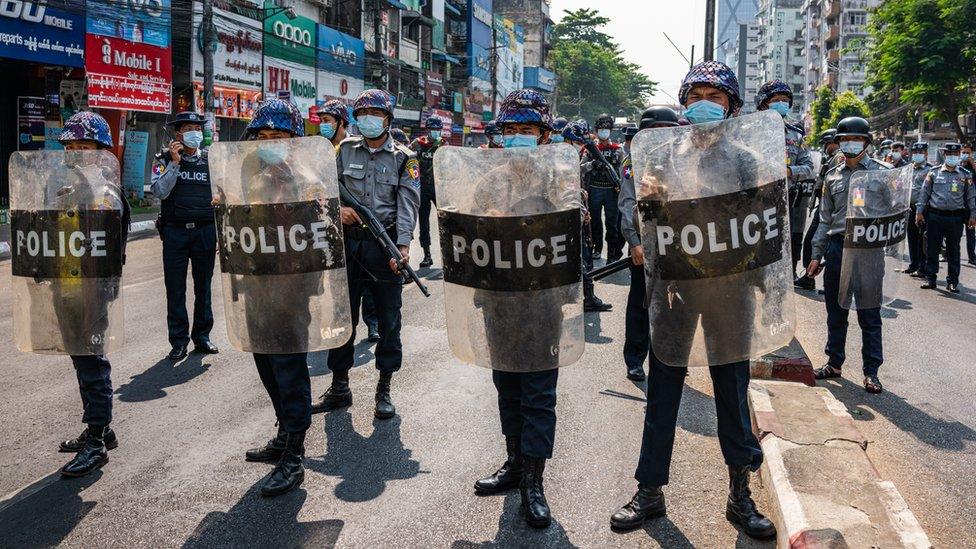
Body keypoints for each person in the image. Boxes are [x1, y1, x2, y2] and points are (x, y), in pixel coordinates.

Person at [610, 61, 774, 540]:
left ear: (733, 107)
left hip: (729, 293)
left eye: (716, 97)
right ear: (683, 104)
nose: (705, 103)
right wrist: (645, 213)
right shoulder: (659, 157)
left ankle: (740, 494)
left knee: (731, 392)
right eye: (695, 94)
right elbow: (645, 217)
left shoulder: (747, 159)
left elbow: (764, 227)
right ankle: (649, 490)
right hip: (676, 289)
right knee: (663, 391)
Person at [472, 89, 565, 529]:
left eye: (526, 129)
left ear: (544, 135)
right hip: (499, 300)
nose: (517, 138)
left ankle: (534, 481)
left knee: (538, 394)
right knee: (507, 385)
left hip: (543, 301)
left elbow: (574, 228)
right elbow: (467, 233)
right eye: (510, 130)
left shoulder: (561, 179)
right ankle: (513, 464)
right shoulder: (490, 180)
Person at [229, 98, 320, 497]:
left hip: (291, 287)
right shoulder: (248, 174)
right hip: (256, 283)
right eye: (262, 137)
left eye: (278, 136)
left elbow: (320, 232)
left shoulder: (306, 177)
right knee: (265, 360)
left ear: (294, 140)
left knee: (289, 367)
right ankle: (284, 432)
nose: (269, 143)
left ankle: (295, 456)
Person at [313, 89, 421, 419]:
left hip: (383, 245)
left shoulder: (405, 158)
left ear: (388, 119)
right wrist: (338, 210)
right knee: (341, 319)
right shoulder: (342, 151)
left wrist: (401, 247)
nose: (367, 120)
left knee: (389, 320)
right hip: (346, 244)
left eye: (374, 114)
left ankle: (384, 388)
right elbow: (321, 190)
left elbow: (408, 205)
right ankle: (340, 386)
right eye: (361, 114)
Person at [51, 111, 130, 477]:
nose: (77, 153)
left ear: (100, 150)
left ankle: (97, 441)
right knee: (80, 357)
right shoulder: (64, 186)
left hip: (92, 288)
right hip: (65, 284)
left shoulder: (104, 192)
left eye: (85, 146)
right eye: (71, 146)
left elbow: (110, 247)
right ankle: (99, 428)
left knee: (92, 361)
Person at [806, 116, 889, 394]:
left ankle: (871, 371)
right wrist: (816, 256)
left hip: (868, 249)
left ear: (866, 142)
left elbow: (896, 212)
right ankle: (834, 362)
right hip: (838, 248)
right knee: (836, 311)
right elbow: (824, 220)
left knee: (869, 313)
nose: (850, 144)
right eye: (844, 140)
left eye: (856, 139)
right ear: (838, 143)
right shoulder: (832, 176)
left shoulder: (882, 174)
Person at [618, 106, 679, 381]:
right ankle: (634, 359)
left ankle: (669, 356)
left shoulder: (683, 160)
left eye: (668, 130)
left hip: (678, 245)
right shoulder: (634, 162)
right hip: (646, 244)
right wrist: (634, 241)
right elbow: (627, 202)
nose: (662, 136)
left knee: (675, 305)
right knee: (640, 305)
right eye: (656, 131)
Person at [151, 111, 219, 361]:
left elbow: (222, 194)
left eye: (197, 128)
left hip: (205, 231)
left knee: (204, 288)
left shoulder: (211, 161)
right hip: (175, 233)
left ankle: (202, 337)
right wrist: (175, 162)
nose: (194, 132)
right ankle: (178, 341)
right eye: (188, 128)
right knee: (175, 289)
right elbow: (159, 191)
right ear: (177, 134)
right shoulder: (163, 159)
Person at [316, 99, 381, 343]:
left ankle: (372, 324)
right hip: (331, 229)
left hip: (360, 230)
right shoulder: (320, 150)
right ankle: (339, 328)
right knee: (337, 284)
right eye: (320, 121)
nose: (322, 126)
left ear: (341, 122)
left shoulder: (354, 148)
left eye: (326, 121)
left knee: (367, 284)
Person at [755, 80, 815, 280]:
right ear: (764, 103)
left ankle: (784, 279)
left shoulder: (796, 135)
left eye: (785, 100)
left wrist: (788, 170)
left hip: (786, 201)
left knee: (786, 244)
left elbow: (808, 168)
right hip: (756, 201)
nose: (781, 103)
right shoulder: (750, 131)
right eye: (776, 100)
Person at [563, 119, 613, 313]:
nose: (579, 147)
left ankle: (588, 296)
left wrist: (591, 165)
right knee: (580, 257)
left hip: (578, 212)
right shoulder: (558, 157)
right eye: (577, 142)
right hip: (569, 216)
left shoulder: (572, 157)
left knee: (586, 256)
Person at [917, 143, 976, 294]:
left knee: (953, 250)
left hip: (955, 218)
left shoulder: (965, 174)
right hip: (935, 216)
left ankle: (953, 282)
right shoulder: (933, 172)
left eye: (956, 154)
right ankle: (931, 278)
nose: (953, 156)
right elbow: (924, 194)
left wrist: (973, 215)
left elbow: (971, 197)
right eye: (950, 154)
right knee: (932, 248)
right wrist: (919, 212)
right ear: (944, 155)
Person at [796, 128, 841, 290]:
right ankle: (810, 278)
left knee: (816, 243)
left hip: (830, 208)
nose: (824, 147)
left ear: (833, 142)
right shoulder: (831, 158)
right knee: (815, 243)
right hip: (825, 205)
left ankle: (814, 279)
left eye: (826, 144)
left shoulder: (838, 157)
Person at [582, 113, 625, 261]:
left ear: (611, 130)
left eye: (607, 128)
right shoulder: (590, 149)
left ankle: (612, 252)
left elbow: (624, 171)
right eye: (601, 128)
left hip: (612, 191)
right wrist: (592, 164)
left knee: (612, 223)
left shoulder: (618, 149)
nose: (604, 131)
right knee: (595, 222)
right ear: (596, 130)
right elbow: (580, 168)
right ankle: (597, 249)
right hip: (594, 189)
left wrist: (621, 185)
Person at [410, 117, 445, 268]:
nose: (436, 132)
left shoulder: (443, 146)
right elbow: (408, 162)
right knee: (423, 223)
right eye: (433, 129)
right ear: (428, 129)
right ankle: (427, 255)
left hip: (439, 188)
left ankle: (451, 252)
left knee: (447, 220)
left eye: (438, 129)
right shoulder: (417, 144)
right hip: (422, 188)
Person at [905, 142, 933, 277]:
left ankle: (923, 268)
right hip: (909, 209)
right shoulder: (908, 168)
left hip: (923, 210)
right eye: (915, 152)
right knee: (911, 237)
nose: (917, 155)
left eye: (920, 152)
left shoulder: (930, 170)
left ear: (926, 154)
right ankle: (913, 264)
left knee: (922, 239)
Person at [962, 143, 976, 265]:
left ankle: (972, 257)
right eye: (963, 152)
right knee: (951, 233)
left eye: (968, 153)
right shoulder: (955, 165)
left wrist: (974, 165)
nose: (965, 155)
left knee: (970, 232)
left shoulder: (973, 167)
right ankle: (946, 254)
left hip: (970, 205)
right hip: (956, 205)